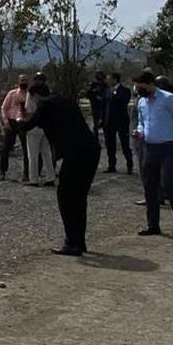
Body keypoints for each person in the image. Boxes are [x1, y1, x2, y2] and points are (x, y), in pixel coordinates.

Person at [16, 84, 100, 255]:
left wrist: (16, 123)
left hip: (75, 153)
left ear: (35, 96)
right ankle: (79, 241)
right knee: (79, 198)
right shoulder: (65, 100)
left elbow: (28, 125)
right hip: (91, 150)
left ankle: (71, 242)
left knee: (66, 197)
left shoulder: (45, 105)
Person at [133, 71, 173, 236]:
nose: (139, 90)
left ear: (150, 84)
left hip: (169, 147)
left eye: (141, 87)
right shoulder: (142, 102)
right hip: (150, 147)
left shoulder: (168, 99)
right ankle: (153, 225)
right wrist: (139, 132)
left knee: (170, 185)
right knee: (149, 187)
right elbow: (142, 123)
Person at [0, 75, 31, 182]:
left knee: (26, 149)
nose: (24, 82)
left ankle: (26, 173)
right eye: (22, 80)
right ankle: (2, 171)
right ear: (18, 81)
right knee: (6, 147)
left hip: (23, 122)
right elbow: (3, 108)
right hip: (11, 122)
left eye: (25, 80)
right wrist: (5, 122)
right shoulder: (12, 94)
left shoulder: (30, 95)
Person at [103, 72, 134, 174]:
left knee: (124, 144)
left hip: (121, 121)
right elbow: (104, 105)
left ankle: (129, 165)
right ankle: (112, 165)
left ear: (115, 79)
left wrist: (114, 93)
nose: (107, 81)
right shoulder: (106, 91)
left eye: (109, 79)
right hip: (109, 122)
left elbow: (123, 102)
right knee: (110, 145)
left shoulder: (124, 91)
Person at [83, 71, 109, 140]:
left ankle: (106, 139)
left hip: (103, 107)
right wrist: (95, 96)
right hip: (95, 107)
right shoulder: (93, 85)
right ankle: (95, 139)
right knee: (96, 124)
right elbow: (87, 94)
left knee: (105, 124)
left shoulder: (105, 86)